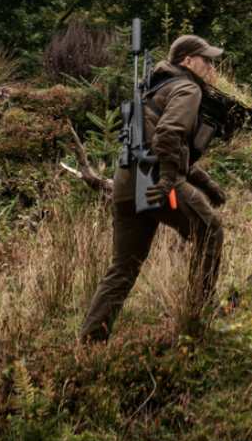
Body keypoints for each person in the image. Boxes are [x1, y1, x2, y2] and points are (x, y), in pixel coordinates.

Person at [79, 34, 228, 342]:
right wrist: (171, 181)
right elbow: (169, 135)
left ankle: (90, 341)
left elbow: (160, 143)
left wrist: (207, 185)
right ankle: (198, 319)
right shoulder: (188, 88)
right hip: (155, 182)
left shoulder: (154, 88)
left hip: (126, 183)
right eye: (207, 60)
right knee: (210, 229)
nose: (212, 67)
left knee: (123, 268)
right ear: (188, 61)